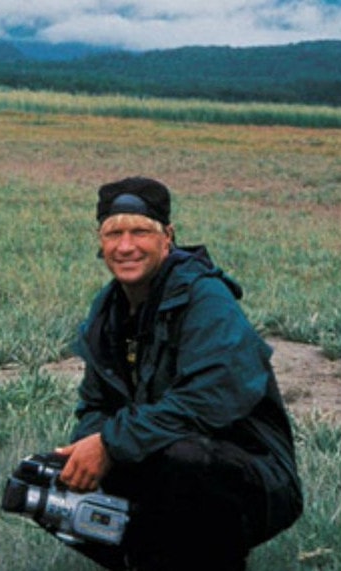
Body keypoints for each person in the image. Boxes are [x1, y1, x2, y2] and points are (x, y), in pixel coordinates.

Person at [54, 177, 303, 570]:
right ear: (100, 242)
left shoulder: (206, 298)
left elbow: (209, 401)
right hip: (157, 457)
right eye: (113, 233)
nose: (126, 246)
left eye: (140, 231)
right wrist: (88, 447)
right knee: (41, 483)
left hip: (246, 474)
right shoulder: (108, 309)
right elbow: (95, 403)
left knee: (183, 461)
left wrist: (111, 445)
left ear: (167, 237)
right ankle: (146, 557)